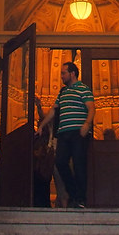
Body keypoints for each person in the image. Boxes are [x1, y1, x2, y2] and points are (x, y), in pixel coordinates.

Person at [38, 61, 95, 208]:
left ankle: (80, 199)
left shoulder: (83, 89)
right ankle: (74, 194)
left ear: (72, 73)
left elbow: (91, 108)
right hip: (63, 133)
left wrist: (86, 124)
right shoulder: (62, 92)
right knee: (60, 162)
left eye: (63, 73)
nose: (61, 76)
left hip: (78, 133)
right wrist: (42, 125)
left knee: (79, 165)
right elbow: (53, 111)